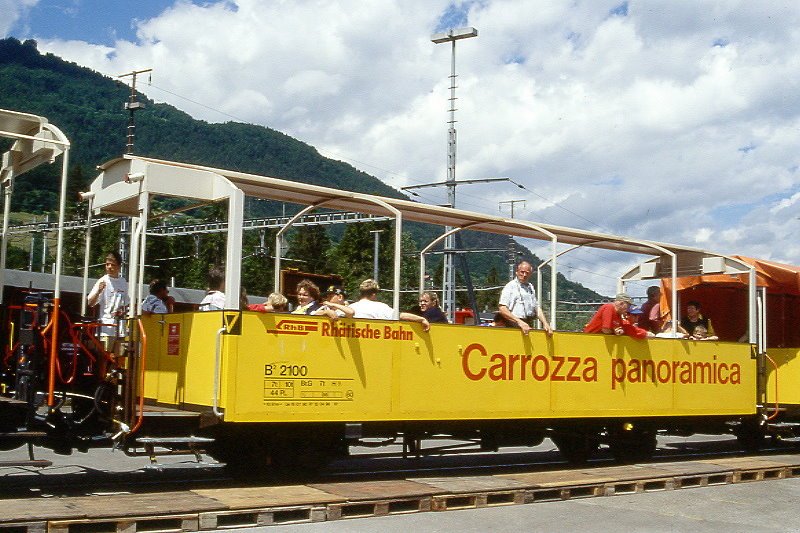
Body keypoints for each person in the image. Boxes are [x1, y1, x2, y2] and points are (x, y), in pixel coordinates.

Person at [349, 279, 430, 331]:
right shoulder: (380, 307)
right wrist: (422, 319)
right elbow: (400, 316)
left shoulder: (351, 307)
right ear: (374, 294)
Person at [498, 260, 553, 335]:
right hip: (513, 325)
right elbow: (502, 308)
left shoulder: (530, 287)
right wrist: (519, 322)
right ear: (517, 272)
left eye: (527, 273)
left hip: (528, 323)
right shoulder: (510, 286)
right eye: (522, 272)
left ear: (530, 274)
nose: (524, 275)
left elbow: (536, 308)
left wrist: (545, 323)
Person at [87, 251, 129, 340]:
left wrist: (123, 311)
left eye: (112, 265)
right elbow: (90, 303)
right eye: (107, 264)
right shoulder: (103, 280)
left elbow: (126, 303)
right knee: (106, 353)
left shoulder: (123, 282)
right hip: (106, 326)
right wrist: (99, 291)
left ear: (119, 267)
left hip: (120, 327)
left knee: (119, 353)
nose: (109, 267)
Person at [584, 293, 651, 339]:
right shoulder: (609, 308)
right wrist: (615, 332)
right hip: (591, 338)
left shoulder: (618, 314)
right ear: (622, 303)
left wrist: (644, 333)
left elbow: (625, 328)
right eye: (628, 305)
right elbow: (606, 330)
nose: (628, 308)